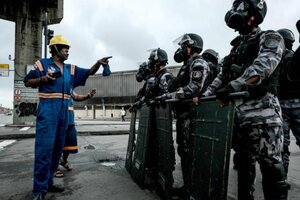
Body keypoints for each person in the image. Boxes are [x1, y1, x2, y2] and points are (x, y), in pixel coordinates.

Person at [195, 1, 289, 199]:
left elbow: (264, 66)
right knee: (244, 162)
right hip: (238, 115)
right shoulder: (236, 48)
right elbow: (221, 76)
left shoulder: (270, 37)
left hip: (264, 113)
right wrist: (204, 98)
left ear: (254, 15)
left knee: (270, 163)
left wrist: (234, 85)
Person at [23, 35, 112, 200]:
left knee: (57, 151)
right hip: (48, 112)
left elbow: (88, 72)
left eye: (68, 48)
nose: (67, 51)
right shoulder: (42, 64)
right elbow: (27, 81)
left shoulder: (70, 69)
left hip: (64, 113)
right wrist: (43, 79)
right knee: (44, 151)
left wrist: (98, 63)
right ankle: (39, 191)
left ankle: (48, 182)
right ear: (55, 49)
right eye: (64, 48)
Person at [167, 33, 210, 197]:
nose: (180, 50)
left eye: (183, 47)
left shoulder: (198, 62)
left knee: (192, 152)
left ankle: (195, 189)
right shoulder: (187, 65)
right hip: (184, 114)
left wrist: (168, 97)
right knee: (184, 151)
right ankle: (188, 187)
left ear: (190, 47)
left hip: (194, 115)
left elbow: (193, 88)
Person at [55, 88, 97, 178]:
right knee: (58, 144)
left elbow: (76, 97)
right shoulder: (56, 85)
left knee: (70, 143)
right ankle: (54, 167)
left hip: (70, 120)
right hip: (58, 119)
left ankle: (64, 161)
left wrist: (88, 95)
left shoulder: (69, 86)